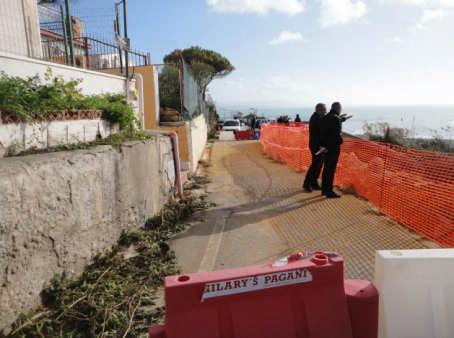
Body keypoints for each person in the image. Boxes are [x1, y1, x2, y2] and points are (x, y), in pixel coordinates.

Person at [320, 102, 351, 198]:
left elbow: (326, 130)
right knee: (331, 170)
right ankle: (329, 191)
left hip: (325, 147)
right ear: (338, 109)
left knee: (326, 169)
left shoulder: (326, 117)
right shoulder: (335, 119)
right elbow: (336, 135)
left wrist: (343, 119)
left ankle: (324, 190)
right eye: (340, 108)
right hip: (333, 148)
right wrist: (341, 140)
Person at [303, 103, 326, 192]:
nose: (325, 111)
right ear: (318, 110)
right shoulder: (316, 118)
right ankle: (307, 183)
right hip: (316, 146)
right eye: (324, 109)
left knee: (318, 165)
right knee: (315, 165)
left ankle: (313, 183)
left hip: (317, 145)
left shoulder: (317, 117)